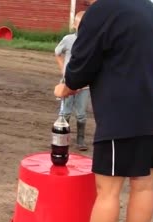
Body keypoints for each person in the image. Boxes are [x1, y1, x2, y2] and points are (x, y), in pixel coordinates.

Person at [54, 0, 153, 222]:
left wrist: (66, 86)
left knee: (108, 190)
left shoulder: (102, 11)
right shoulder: (148, 8)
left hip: (122, 115)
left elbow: (81, 64)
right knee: (144, 183)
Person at [54, 11, 90, 151]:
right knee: (65, 112)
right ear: (74, 25)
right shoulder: (68, 39)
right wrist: (63, 69)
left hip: (85, 85)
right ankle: (64, 138)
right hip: (68, 82)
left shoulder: (91, 41)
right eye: (79, 24)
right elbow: (57, 53)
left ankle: (80, 140)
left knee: (81, 114)